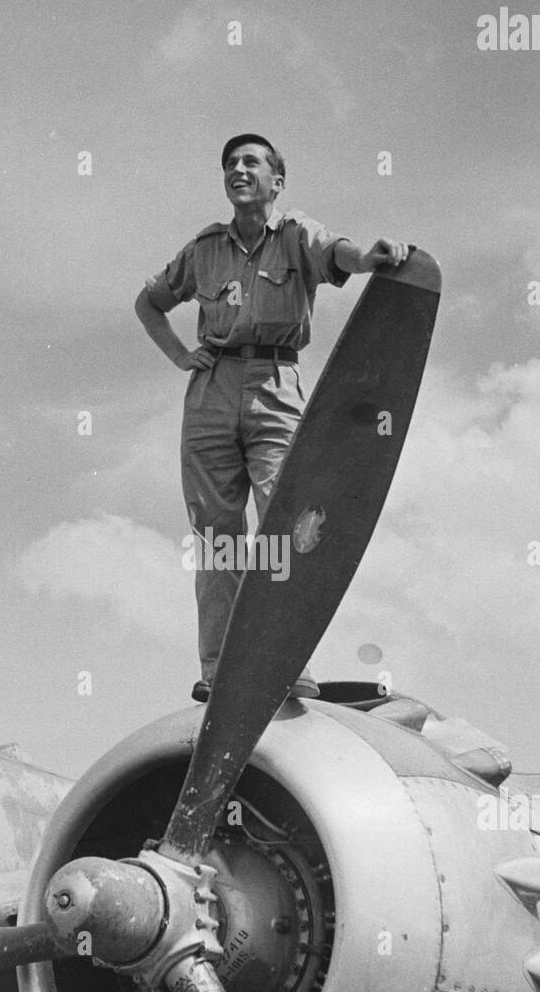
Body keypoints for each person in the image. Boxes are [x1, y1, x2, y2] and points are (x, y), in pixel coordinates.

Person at [135, 133, 409, 702]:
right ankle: (219, 672)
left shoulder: (295, 235)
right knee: (216, 540)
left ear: (276, 181)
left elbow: (340, 254)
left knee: (285, 525)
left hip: (275, 385)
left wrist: (370, 259)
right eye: (231, 163)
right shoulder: (204, 248)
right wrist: (181, 356)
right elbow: (150, 302)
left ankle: (289, 668)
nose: (238, 169)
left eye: (251, 162)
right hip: (209, 391)